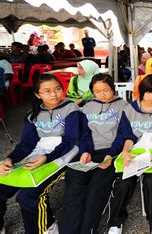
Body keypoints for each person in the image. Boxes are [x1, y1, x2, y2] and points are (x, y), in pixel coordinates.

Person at [0, 74, 80, 233]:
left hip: (64, 155)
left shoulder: (71, 108)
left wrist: (47, 158)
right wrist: (10, 159)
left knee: (28, 195)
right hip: (38, 153)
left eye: (57, 89)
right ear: (38, 94)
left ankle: (47, 227)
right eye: (47, 91)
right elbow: (26, 144)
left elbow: (70, 140)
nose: (54, 94)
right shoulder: (33, 115)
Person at [106, 74, 152, 234]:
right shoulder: (129, 109)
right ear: (142, 91)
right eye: (149, 92)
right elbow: (127, 136)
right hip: (134, 151)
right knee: (123, 182)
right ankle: (115, 223)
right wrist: (125, 152)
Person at [61, 74, 127, 233]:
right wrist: (85, 151)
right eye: (97, 91)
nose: (102, 94)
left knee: (96, 190)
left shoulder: (123, 106)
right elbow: (84, 135)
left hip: (112, 152)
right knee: (74, 187)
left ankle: (88, 229)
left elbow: (123, 135)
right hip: (90, 152)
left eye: (106, 90)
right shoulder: (87, 107)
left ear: (113, 88)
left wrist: (110, 155)